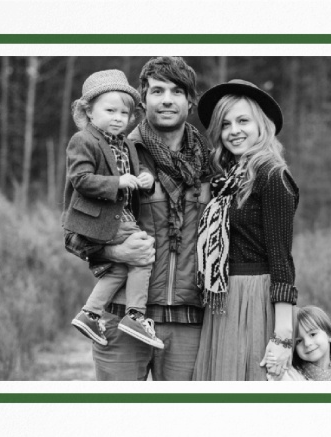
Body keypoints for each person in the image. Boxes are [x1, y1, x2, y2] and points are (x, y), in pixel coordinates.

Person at [85, 57, 212, 381]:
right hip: (121, 315)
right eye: (157, 90)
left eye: (177, 91)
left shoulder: (211, 165)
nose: (167, 99)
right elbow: (75, 231)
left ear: (190, 100)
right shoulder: (112, 153)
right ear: (143, 100)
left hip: (189, 322)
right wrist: (115, 253)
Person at [193, 79, 299, 381]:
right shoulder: (227, 181)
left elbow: (281, 259)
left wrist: (282, 336)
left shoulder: (272, 175)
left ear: (261, 125)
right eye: (225, 124)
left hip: (255, 298)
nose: (234, 131)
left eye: (243, 121)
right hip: (223, 297)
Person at [62, 69, 163, 349]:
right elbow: (80, 180)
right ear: (89, 113)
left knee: (118, 270)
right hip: (101, 216)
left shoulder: (127, 144)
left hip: (119, 215)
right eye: (110, 110)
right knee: (143, 254)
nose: (118, 118)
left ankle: (90, 313)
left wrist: (146, 178)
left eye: (124, 113)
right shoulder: (84, 140)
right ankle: (135, 316)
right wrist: (118, 182)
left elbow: (139, 168)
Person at [266, 306, 331, 381]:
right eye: (299, 341)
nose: (307, 343)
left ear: (329, 335)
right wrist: (274, 362)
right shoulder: (292, 376)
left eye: (313, 334)